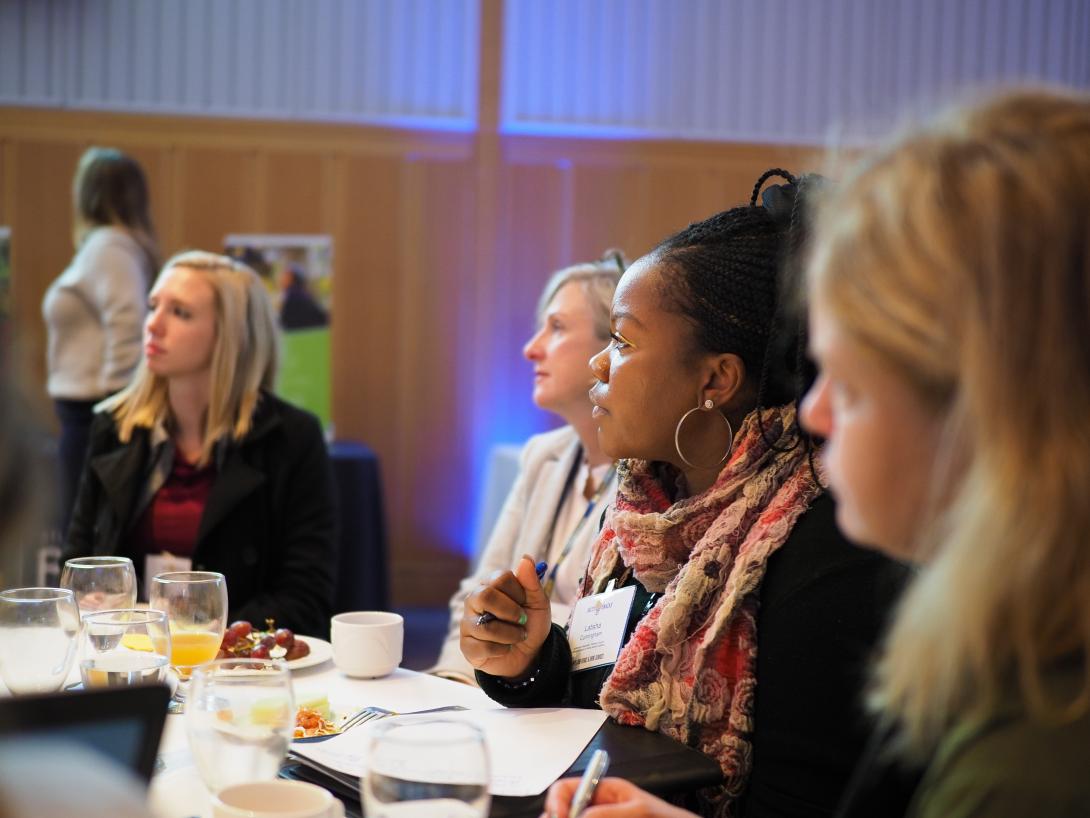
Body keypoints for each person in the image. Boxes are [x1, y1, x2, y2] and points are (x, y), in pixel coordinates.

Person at [543, 90, 1090, 818]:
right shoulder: (647, 510)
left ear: (984, 401)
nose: (813, 411)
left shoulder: (1028, 764)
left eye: (855, 378)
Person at [464, 173, 913, 817]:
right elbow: (609, 696)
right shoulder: (648, 510)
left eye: (621, 340)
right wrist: (531, 662)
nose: (599, 364)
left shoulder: (821, 545)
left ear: (716, 379)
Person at [63, 250, 336, 637]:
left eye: (180, 313)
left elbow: (305, 599)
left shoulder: (291, 439)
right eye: (153, 306)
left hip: (239, 671)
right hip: (129, 660)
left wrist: (194, 632)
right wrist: (97, 605)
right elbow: (77, 570)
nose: (153, 325)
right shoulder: (114, 428)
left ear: (230, 335)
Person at [431, 253, 625, 683]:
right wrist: (450, 684)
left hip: (577, 707)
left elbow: (614, 637)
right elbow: (477, 592)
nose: (530, 347)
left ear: (612, 348)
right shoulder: (543, 456)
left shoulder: (655, 477)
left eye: (556, 328)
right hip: (499, 692)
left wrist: (521, 629)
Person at [42, 147, 160, 531]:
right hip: (88, 414)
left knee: (82, 537)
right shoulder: (110, 248)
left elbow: (128, 326)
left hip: (95, 415)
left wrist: (114, 418)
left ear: (87, 194)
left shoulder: (109, 247)